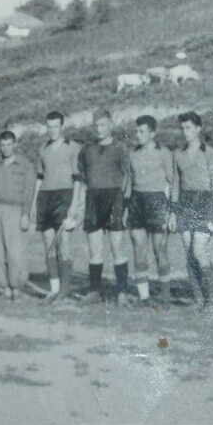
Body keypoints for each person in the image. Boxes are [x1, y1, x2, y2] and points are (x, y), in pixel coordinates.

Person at [76, 109, 132, 305]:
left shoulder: (120, 148)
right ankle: (94, 291)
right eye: (97, 125)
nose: (100, 129)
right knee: (94, 249)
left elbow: (127, 177)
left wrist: (124, 204)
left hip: (114, 197)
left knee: (117, 247)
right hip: (93, 198)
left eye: (103, 125)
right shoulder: (86, 150)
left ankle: (122, 292)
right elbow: (82, 177)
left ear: (111, 125)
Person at [172, 111, 213, 310]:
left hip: (205, 202)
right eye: (183, 128)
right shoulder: (178, 154)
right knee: (188, 252)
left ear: (198, 129)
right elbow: (176, 183)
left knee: (199, 250)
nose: (185, 132)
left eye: (189, 128)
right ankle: (198, 299)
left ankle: (212, 300)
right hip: (185, 204)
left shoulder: (209, 153)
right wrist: (173, 210)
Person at [31, 111, 83, 302]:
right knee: (48, 244)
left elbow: (78, 178)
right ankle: (54, 289)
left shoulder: (73, 148)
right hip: (45, 197)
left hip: (65, 196)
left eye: (55, 126)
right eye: (49, 126)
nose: (52, 130)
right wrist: (33, 205)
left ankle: (65, 289)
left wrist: (74, 205)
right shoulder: (42, 148)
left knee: (65, 244)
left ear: (62, 126)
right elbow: (39, 178)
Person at [124, 115, 175, 306]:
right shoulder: (132, 154)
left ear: (153, 133)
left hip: (158, 201)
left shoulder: (164, 153)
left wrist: (171, 210)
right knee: (139, 248)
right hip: (137, 202)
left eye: (142, 131)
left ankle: (165, 296)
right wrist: (125, 209)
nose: (138, 134)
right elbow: (128, 182)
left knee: (159, 249)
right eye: (136, 131)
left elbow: (172, 182)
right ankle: (144, 297)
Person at [0, 130, 36, 300]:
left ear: (15, 144)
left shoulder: (25, 165)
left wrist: (26, 214)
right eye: (3, 144)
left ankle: (17, 287)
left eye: (9, 144)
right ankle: (4, 287)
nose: (6, 148)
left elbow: (29, 191)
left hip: (15, 209)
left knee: (15, 252)